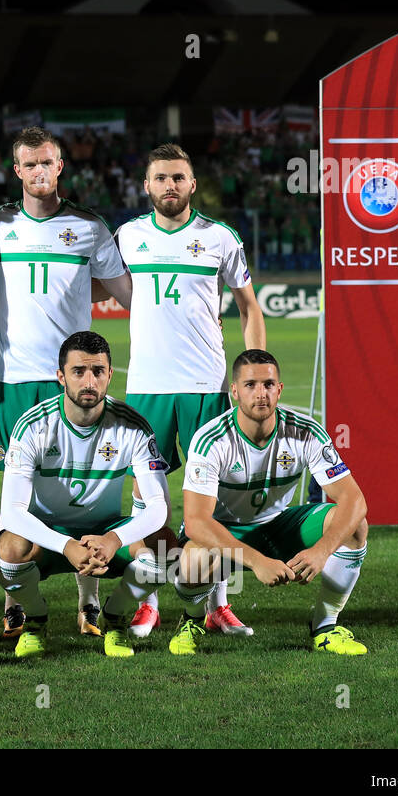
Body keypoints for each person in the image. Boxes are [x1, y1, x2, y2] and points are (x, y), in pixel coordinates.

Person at [0, 126, 133, 639]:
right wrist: (8, 308)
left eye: (48, 163)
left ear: (60, 167)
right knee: (21, 486)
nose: (39, 172)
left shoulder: (88, 226)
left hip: (75, 378)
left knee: (83, 482)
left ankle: (89, 597)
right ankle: (19, 600)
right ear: (16, 171)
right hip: (15, 376)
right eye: (29, 164)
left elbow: (124, 289)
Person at [115, 143, 266, 639]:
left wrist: (253, 371)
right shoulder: (128, 237)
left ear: (192, 184)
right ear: (147, 185)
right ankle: (148, 603)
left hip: (205, 385)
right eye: (160, 178)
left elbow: (248, 308)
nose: (169, 186)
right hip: (146, 389)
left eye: (178, 177)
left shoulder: (220, 238)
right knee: (146, 500)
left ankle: (216, 607)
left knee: (213, 502)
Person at [168, 349, 369, 655]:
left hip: (276, 526)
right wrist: (258, 562)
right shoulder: (211, 440)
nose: (260, 394)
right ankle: (193, 619)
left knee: (355, 527)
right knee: (193, 559)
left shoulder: (305, 432)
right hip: (224, 531)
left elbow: (354, 500)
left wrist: (320, 551)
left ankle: (325, 627)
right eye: (250, 385)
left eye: (268, 384)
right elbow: (196, 522)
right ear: (234, 391)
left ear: (280, 388)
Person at [0, 330, 171, 658]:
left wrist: (113, 540)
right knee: (10, 546)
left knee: (164, 545)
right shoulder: (32, 425)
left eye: (98, 372)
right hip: (50, 536)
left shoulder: (133, 425)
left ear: (110, 375)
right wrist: (66, 545)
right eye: (78, 372)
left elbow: (158, 508)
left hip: (107, 533)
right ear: (61, 377)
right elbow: (11, 512)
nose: (89, 381)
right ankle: (35, 620)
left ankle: (116, 617)